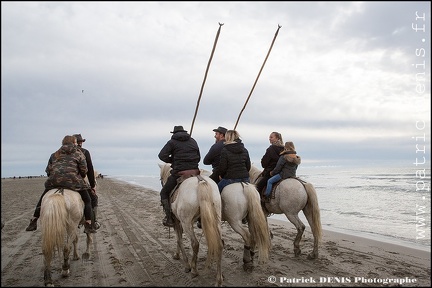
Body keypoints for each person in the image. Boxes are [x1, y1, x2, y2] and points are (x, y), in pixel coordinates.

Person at [25, 135, 96, 233]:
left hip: (54, 182)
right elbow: (84, 171)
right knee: (87, 200)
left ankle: (34, 220)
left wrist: (56, 177)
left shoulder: (54, 154)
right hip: (73, 182)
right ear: (74, 143)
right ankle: (88, 224)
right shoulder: (79, 154)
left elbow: (48, 170)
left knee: (42, 199)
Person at [158, 125, 201, 227]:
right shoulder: (193, 141)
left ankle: (169, 218)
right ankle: (201, 218)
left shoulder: (172, 142)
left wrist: (172, 160)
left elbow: (161, 155)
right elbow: (198, 157)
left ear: (174, 134)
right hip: (195, 172)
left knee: (164, 192)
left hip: (180, 173)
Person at [73, 133, 100, 230]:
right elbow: (89, 169)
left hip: (59, 182)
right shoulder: (84, 152)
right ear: (80, 142)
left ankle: (35, 217)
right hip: (78, 182)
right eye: (80, 141)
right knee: (92, 199)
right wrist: (92, 186)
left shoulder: (61, 152)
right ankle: (92, 222)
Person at [256, 132, 284, 196]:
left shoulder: (271, 149)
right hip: (282, 173)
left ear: (277, 138)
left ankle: (263, 200)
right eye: (269, 137)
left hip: (271, 173)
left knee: (257, 187)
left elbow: (264, 163)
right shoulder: (284, 148)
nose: (269, 139)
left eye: (271, 137)